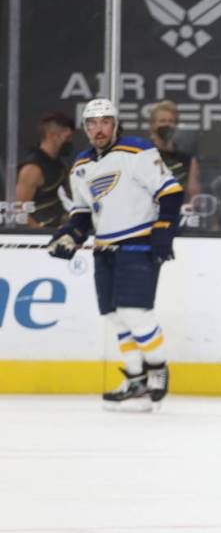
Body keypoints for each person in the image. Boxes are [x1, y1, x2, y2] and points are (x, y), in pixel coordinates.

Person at [46, 98, 183, 412]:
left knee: (135, 312)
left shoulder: (138, 151)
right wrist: (68, 236)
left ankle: (158, 369)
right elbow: (83, 213)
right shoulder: (81, 165)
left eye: (105, 122)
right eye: (92, 124)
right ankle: (136, 379)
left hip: (138, 245)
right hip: (106, 249)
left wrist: (163, 230)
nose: (99, 129)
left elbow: (170, 191)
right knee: (114, 315)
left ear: (116, 124)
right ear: (85, 128)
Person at [15, 112, 75, 227]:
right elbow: (19, 210)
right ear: (52, 135)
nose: (69, 142)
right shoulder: (32, 169)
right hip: (39, 238)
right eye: (67, 137)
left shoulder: (60, 166)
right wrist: (41, 234)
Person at [147, 100, 200, 200]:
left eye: (171, 121)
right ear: (153, 124)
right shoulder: (144, 154)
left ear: (176, 125)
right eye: (162, 121)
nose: (167, 125)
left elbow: (194, 197)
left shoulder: (186, 158)